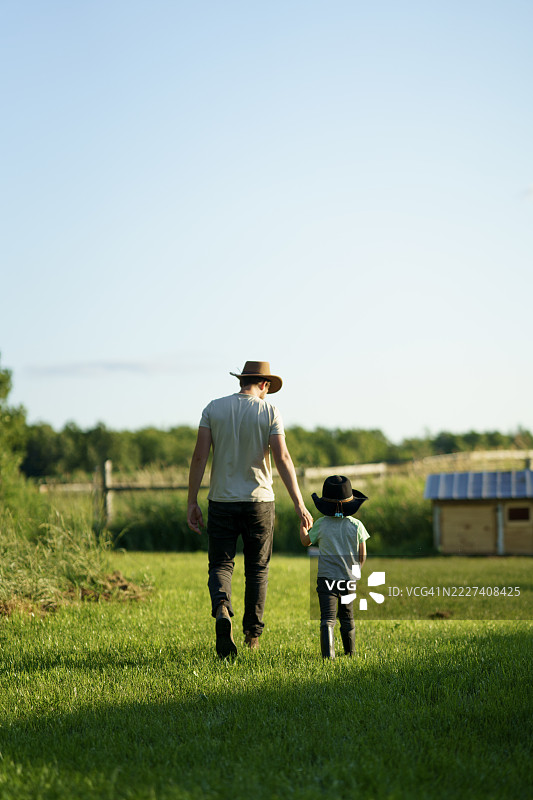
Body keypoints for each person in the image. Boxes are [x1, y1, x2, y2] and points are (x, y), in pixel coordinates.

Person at [187, 360, 314, 659]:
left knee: (221, 564)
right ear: (264, 385)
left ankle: (222, 609)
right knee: (257, 570)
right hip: (260, 502)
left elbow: (198, 458)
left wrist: (192, 501)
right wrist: (300, 504)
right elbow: (282, 457)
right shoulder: (269, 411)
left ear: (243, 380)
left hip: (220, 501)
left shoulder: (212, 409)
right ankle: (252, 636)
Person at [300, 475, 370, 659]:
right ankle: (350, 652)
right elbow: (362, 555)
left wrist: (303, 526)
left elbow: (306, 541)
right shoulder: (357, 526)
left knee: (327, 618)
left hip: (326, 579)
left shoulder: (322, 524)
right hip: (348, 579)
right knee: (347, 617)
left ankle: (328, 656)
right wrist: (356, 570)